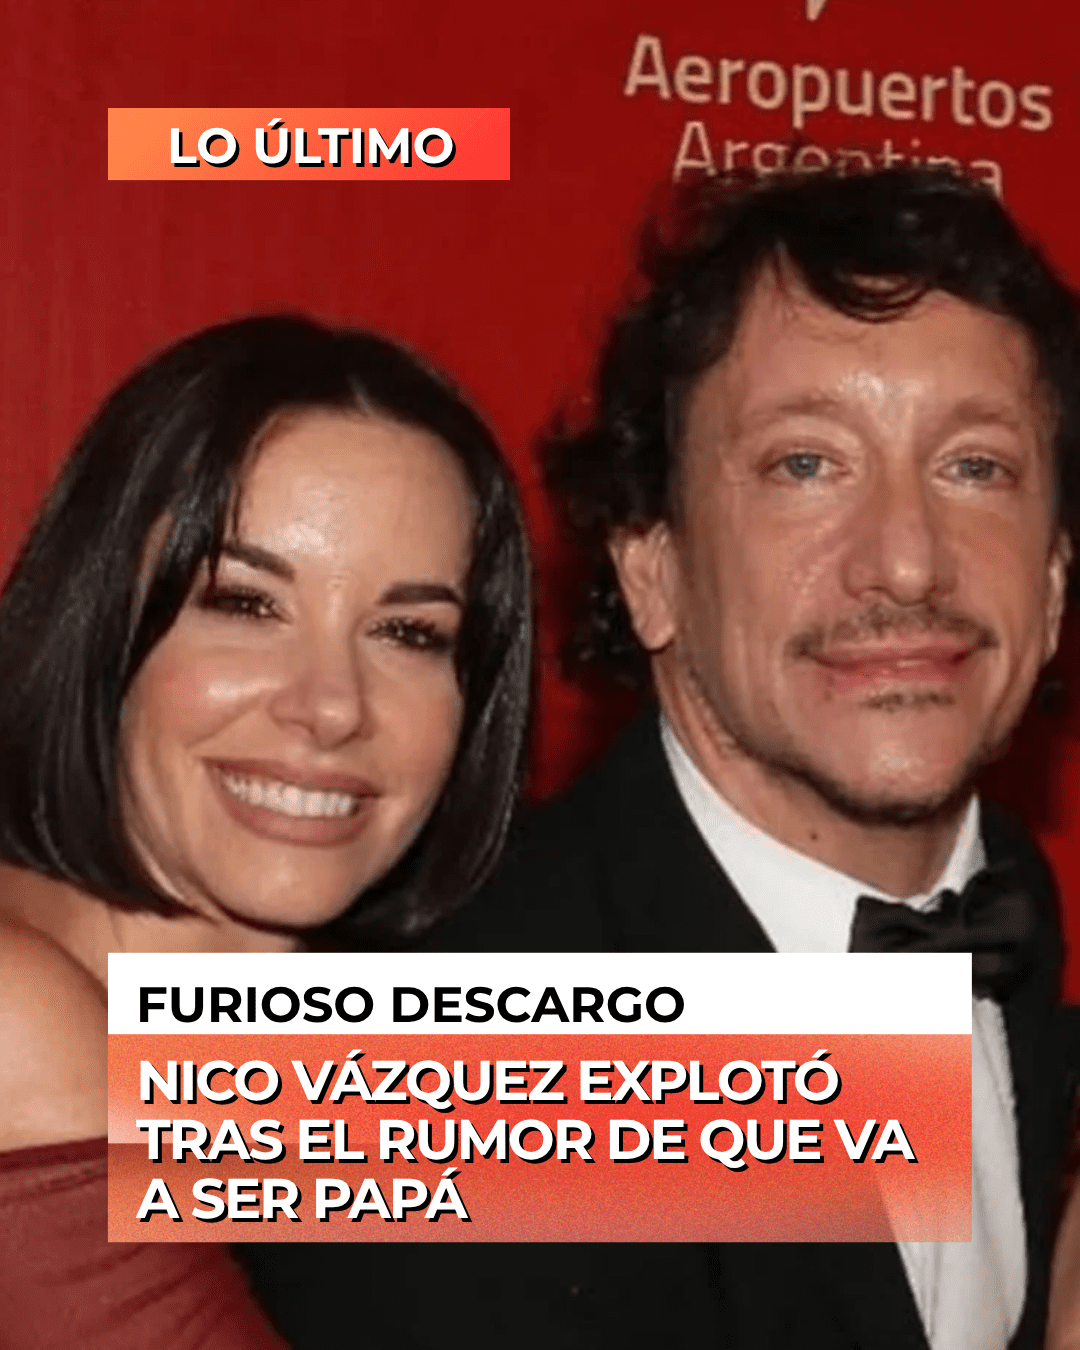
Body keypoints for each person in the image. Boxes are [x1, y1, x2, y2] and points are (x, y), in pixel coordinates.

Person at [243, 168, 1080, 1350]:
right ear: (652, 569)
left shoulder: (1008, 906)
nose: (906, 562)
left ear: (1053, 582)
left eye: (976, 467)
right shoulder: (427, 1066)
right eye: (805, 464)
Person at [0, 314, 531, 1347]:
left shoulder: (274, 1069)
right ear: (101, 630)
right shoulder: (18, 1013)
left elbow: (833, 1114)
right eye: (245, 605)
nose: (331, 707)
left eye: (408, 632)